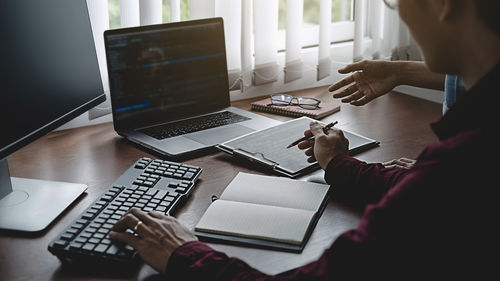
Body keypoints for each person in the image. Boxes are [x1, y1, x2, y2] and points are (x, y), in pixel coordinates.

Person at [109, 0, 500, 279]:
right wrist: (340, 164)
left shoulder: (462, 163)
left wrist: (183, 252)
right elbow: (433, 195)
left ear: (445, 4)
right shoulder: (463, 165)